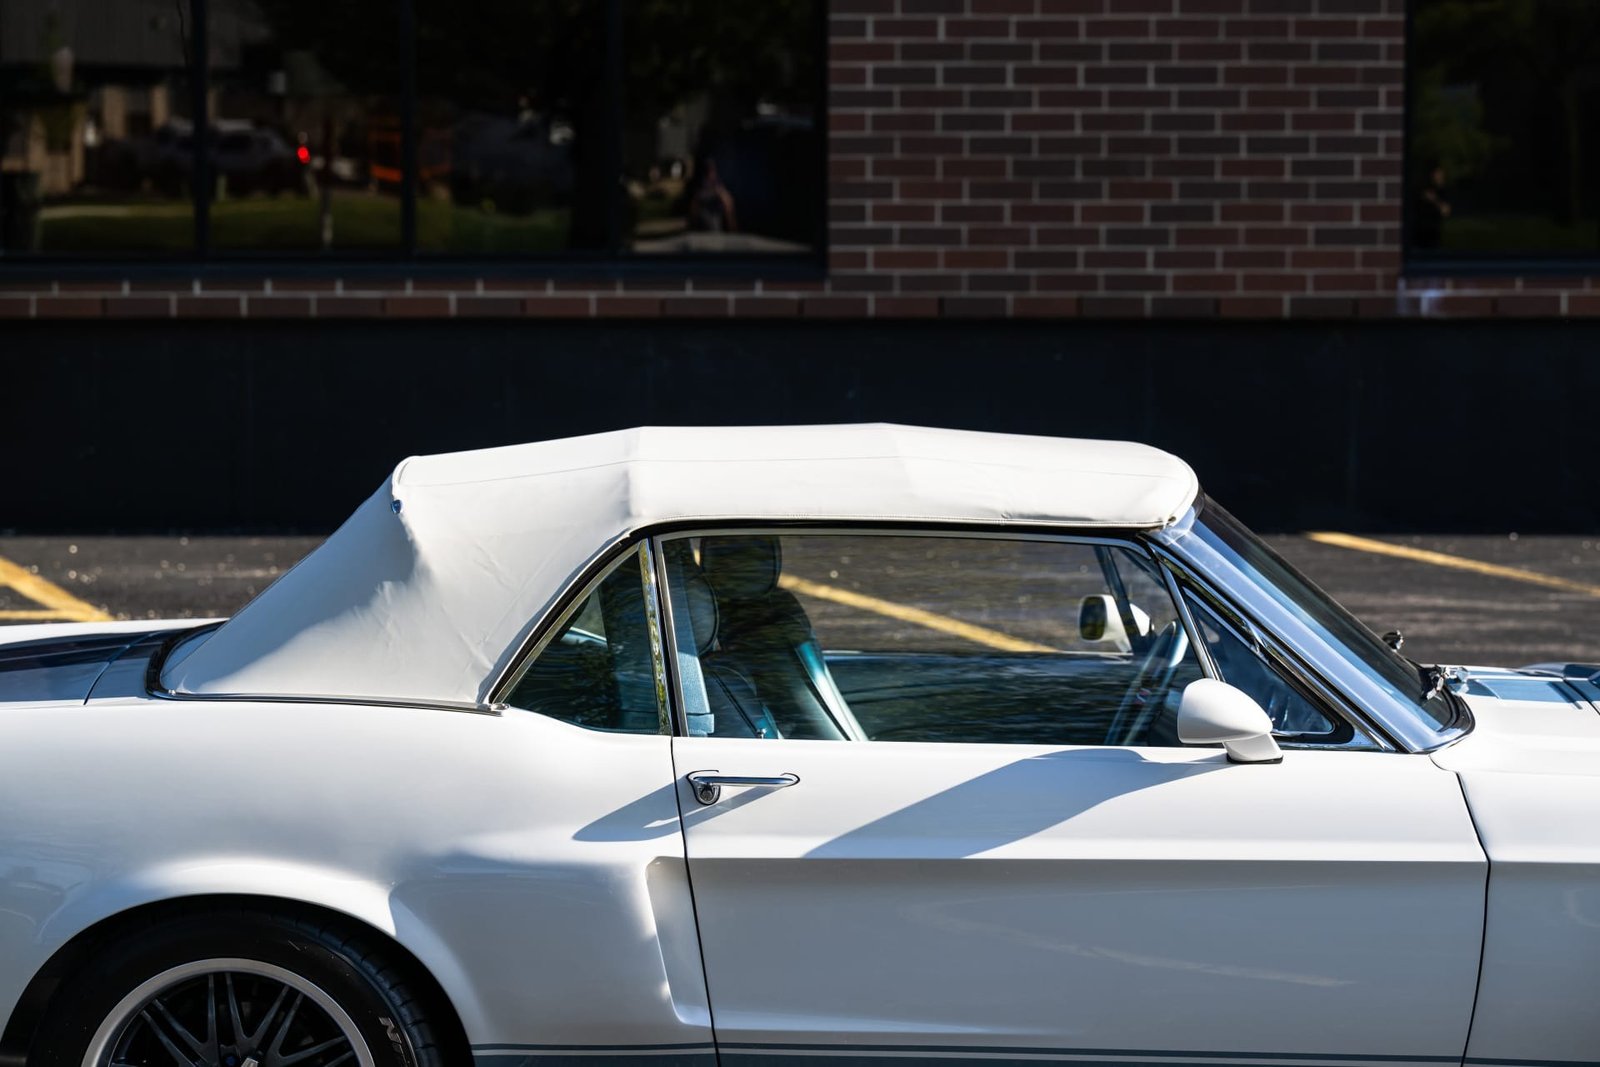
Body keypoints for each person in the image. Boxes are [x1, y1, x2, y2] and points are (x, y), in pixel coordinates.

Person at [689, 157, 738, 233]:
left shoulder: (720, 190)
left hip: (716, 233)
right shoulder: (698, 191)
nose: (710, 173)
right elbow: (693, 213)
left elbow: (729, 211)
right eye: (707, 170)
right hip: (701, 234)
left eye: (712, 170)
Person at [1414, 163, 1451, 249]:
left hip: (1437, 232)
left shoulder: (1446, 192)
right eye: (1436, 173)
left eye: (1440, 173)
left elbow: (1446, 211)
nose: (1438, 176)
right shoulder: (1427, 189)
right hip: (1422, 233)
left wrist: (1434, 200)